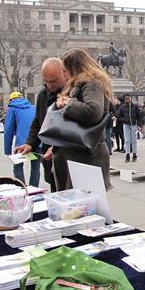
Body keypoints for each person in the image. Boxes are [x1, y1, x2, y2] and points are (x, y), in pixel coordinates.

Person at [53, 48, 113, 190]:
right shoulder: (81, 84)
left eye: (65, 70)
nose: (64, 75)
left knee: (87, 209)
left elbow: (93, 111)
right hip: (79, 157)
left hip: (85, 159)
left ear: (75, 68)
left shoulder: (92, 84)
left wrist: (68, 103)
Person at [16, 58, 67, 192]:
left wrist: (57, 147)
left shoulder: (72, 93)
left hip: (68, 158)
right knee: (55, 193)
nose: (50, 85)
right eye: (46, 81)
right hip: (49, 157)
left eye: (54, 80)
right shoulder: (42, 95)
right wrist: (30, 143)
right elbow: (38, 122)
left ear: (65, 73)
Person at [4, 92, 40, 186]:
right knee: (36, 167)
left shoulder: (12, 108)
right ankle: (34, 190)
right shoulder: (33, 107)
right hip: (37, 141)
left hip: (22, 143)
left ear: (11, 100)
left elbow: (8, 130)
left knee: (18, 167)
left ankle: (22, 189)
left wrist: (7, 149)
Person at [116, 94, 141, 162]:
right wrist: (123, 119)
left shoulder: (135, 106)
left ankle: (134, 154)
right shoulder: (122, 107)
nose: (128, 100)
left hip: (133, 124)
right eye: (126, 99)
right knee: (127, 140)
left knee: (134, 140)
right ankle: (127, 155)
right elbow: (117, 115)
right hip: (126, 124)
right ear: (124, 100)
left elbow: (139, 116)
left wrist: (139, 125)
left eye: (129, 98)